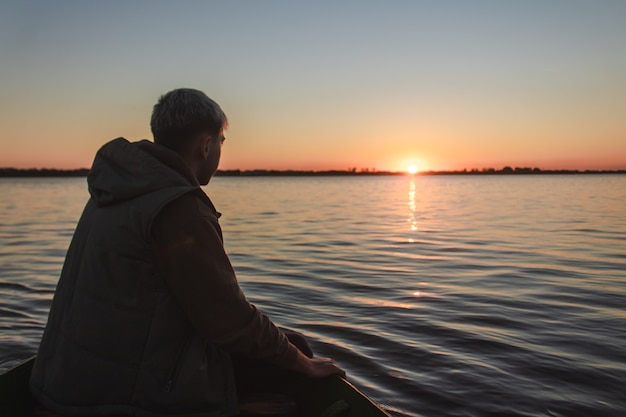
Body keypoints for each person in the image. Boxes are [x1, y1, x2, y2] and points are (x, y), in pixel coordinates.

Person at [29, 88, 345, 417]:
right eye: (221, 142)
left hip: (62, 381)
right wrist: (302, 363)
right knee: (296, 355)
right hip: (114, 399)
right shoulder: (178, 208)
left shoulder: (112, 192)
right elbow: (229, 320)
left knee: (278, 349)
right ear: (206, 145)